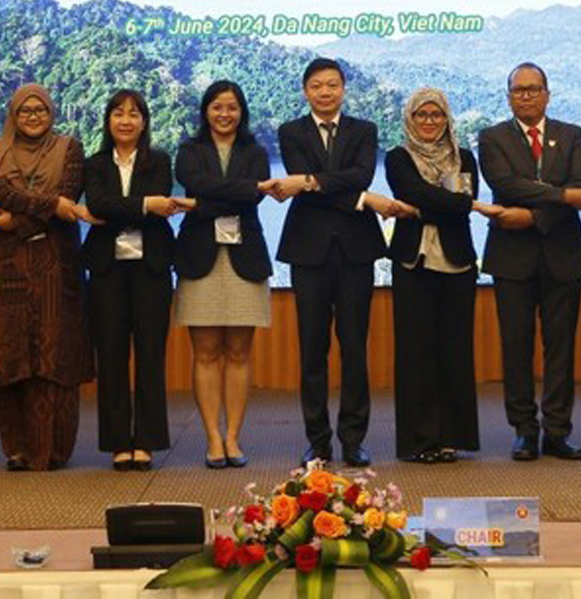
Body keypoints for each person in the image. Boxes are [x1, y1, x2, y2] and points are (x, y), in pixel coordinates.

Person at [271, 57, 407, 467]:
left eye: (332, 85)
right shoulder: (290, 131)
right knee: (312, 350)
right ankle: (318, 441)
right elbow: (323, 179)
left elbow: (359, 175)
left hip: (355, 251)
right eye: (317, 85)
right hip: (308, 251)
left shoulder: (363, 130)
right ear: (305, 90)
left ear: (343, 89)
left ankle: (353, 439)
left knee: (354, 348)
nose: (325, 92)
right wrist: (364, 200)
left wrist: (311, 182)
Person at [0, 83, 97, 471]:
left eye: (40, 110)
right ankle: (18, 449)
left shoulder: (70, 148)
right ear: (13, 114)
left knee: (54, 353)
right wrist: (49, 206)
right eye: (25, 111)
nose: (32, 117)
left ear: (51, 113)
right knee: (12, 353)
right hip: (8, 265)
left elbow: (69, 193)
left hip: (57, 263)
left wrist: (19, 221)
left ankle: (55, 449)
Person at [478, 62, 581, 462]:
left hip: (562, 255)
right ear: (509, 95)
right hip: (512, 258)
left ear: (548, 93)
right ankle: (525, 431)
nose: (526, 96)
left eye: (533, 89)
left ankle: (558, 431)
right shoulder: (492, 137)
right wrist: (560, 196)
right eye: (518, 90)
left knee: (561, 348)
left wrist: (532, 214)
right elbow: (505, 185)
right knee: (516, 347)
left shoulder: (572, 134)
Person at [385, 87, 496, 463]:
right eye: (421, 115)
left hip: (457, 263)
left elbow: (453, 205)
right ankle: (419, 441)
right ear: (410, 120)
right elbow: (415, 192)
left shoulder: (464, 157)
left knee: (455, 350)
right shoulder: (397, 157)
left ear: (446, 118)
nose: (429, 122)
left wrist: (424, 205)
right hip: (412, 263)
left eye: (436, 115)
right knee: (415, 352)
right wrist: (446, 202)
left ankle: (452, 437)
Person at [83, 89, 186, 471]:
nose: (126, 120)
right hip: (107, 269)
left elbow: (125, 205)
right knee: (110, 355)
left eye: (134, 114)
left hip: (152, 268)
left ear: (144, 121)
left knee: (149, 355)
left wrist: (129, 207)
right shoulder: (93, 164)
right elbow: (98, 204)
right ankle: (116, 442)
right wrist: (144, 206)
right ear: (108, 121)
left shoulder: (159, 160)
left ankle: (146, 440)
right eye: (118, 113)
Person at [174, 80, 273, 469]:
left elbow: (254, 195)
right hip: (201, 258)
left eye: (232, 107)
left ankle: (233, 437)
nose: (224, 114)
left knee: (238, 352)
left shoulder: (257, 151)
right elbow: (195, 182)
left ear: (241, 111)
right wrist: (241, 189)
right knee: (205, 352)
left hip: (244, 259)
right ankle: (212, 438)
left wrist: (204, 202)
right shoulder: (189, 150)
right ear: (206, 111)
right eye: (217, 107)